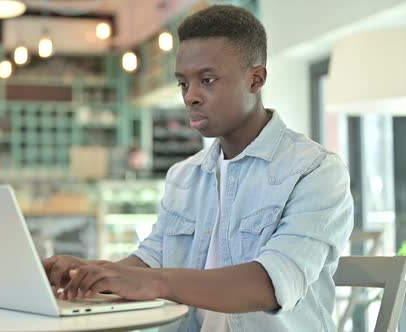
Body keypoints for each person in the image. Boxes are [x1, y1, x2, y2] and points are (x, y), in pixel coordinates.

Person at [42, 5, 353, 332]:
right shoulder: (184, 176)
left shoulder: (316, 171)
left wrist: (155, 281)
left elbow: (269, 284)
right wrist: (87, 273)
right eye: (183, 84)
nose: (190, 96)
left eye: (207, 80)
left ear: (255, 79)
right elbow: (150, 261)